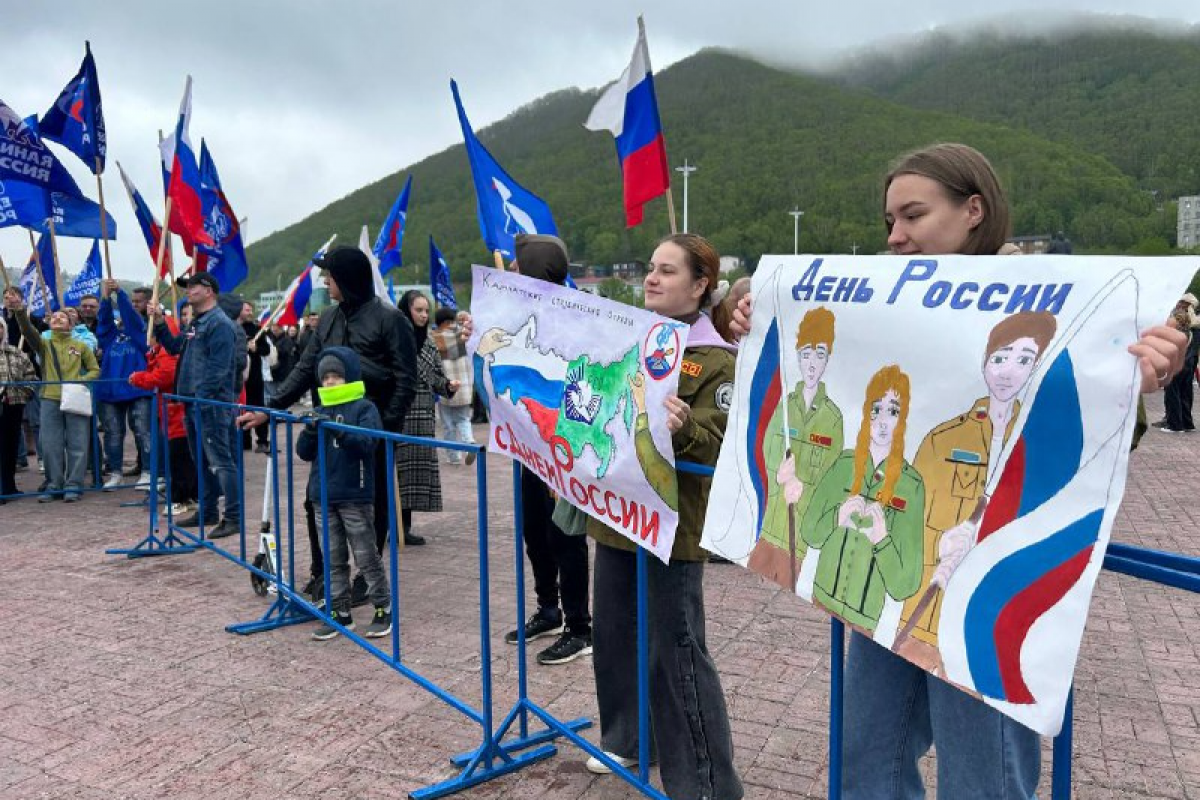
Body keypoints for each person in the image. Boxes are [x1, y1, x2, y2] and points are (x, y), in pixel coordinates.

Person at [730, 142, 1187, 799]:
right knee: (867, 757)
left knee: (981, 779)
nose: (895, 235)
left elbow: (1092, 442)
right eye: (889, 220)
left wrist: (1134, 382)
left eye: (913, 215)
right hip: (896, 584)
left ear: (974, 210)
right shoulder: (886, 302)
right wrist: (754, 312)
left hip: (983, 601)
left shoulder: (1060, 307)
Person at [586, 233, 743, 800]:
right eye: (651, 268)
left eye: (668, 270)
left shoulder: (716, 359)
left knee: (675, 649)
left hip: (671, 528)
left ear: (701, 285)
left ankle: (706, 782)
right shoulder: (630, 341)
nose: (652, 278)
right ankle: (630, 739)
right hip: (618, 517)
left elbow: (722, 442)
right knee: (614, 633)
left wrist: (686, 426)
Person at [238, 246, 417, 598]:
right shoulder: (329, 318)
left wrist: (382, 430)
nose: (325, 282)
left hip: (370, 430)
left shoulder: (390, 319)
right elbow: (306, 367)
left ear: (346, 279)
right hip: (328, 428)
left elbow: (405, 380)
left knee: (370, 506)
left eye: (329, 276)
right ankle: (323, 571)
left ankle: (368, 577)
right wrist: (270, 407)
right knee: (316, 500)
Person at [485, 234, 594, 665]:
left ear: (535, 269)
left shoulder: (580, 317)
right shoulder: (518, 314)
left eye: (518, 264)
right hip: (530, 448)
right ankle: (548, 609)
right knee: (534, 530)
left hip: (563, 449)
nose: (511, 269)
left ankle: (579, 627)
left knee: (565, 536)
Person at [802, 364, 924, 630]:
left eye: (893, 411)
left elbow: (905, 585)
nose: (882, 421)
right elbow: (809, 533)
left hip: (865, 622)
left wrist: (882, 541)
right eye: (876, 409)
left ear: (903, 418)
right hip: (820, 600)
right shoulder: (844, 464)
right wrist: (836, 517)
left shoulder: (911, 485)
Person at [297, 347, 393, 641]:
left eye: (336, 376)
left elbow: (367, 444)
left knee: (366, 555)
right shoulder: (321, 408)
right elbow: (303, 452)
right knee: (332, 557)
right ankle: (340, 611)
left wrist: (338, 430)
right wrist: (311, 430)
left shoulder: (364, 408)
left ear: (349, 377)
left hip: (354, 494)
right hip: (323, 495)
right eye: (325, 377)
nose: (330, 382)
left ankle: (383, 607)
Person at [748, 306, 844, 588]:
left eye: (820, 354)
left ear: (828, 359)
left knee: (787, 604)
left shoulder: (833, 418)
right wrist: (778, 476)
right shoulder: (785, 406)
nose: (812, 364)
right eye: (806, 354)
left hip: (797, 541)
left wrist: (803, 487)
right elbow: (767, 449)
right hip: (768, 529)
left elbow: (831, 479)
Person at [154, 273, 241, 538]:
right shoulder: (197, 322)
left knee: (221, 461)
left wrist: (201, 397)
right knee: (201, 461)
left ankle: (234, 517)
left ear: (209, 291)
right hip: (194, 403)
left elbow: (218, 369)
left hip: (210, 403)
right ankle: (208, 510)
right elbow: (174, 347)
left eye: (193, 287)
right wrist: (160, 323)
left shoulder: (220, 324)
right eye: (187, 287)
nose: (188, 291)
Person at [14, 303, 100, 502]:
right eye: (54, 317)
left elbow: (94, 370)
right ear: (49, 323)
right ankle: (54, 484)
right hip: (50, 398)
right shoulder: (44, 344)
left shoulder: (81, 346)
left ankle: (74, 485)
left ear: (71, 324)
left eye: (63, 317)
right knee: (50, 444)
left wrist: (80, 380)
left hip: (75, 397)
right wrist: (20, 312)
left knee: (78, 443)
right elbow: (27, 331)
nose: (58, 319)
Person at [396, 290, 460, 544]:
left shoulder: (430, 342)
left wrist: (448, 386)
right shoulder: (394, 339)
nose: (423, 315)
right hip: (400, 415)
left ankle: (404, 527)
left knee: (414, 477)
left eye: (426, 311)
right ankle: (392, 527)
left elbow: (437, 378)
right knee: (398, 474)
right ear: (406, 310)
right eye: (418, 310)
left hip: (423, 416)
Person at [129, 313, 198, 516]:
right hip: (171, 409)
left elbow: (166, 376)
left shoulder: (167, 352)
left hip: (175, 410)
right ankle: (189, 496)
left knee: (179, 456)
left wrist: (139, 378)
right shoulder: (161, 350)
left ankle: (181, 498)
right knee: (181, 456)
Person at [95, 279, 153, 490]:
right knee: (113, 433)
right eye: (132, 302)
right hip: (111, 389)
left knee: (142, 431)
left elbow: (132, 319)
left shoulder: (144, 332)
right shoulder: (111, 337)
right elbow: (103, 322)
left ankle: (148, 471)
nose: (134, 306)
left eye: (138, 302)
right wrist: (105, 298)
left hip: (138, 388)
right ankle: (115, 473)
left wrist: (120, 294)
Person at [432, 307, 475, 465]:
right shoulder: (464, 335)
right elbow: (471, 322)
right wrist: (463, 317)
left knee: (448, 425)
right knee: (463, 420)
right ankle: (469, 443)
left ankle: (453, 457)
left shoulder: (435, 339)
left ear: (440, 323)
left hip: (447, 389)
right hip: (464, 389)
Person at [0, 316, 36, 502]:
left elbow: (31, 376)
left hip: (12, 405)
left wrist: (24, 393)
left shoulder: (16, 352)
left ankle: (9, 486)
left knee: (10, 447)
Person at [1157, 293, 1197, 433]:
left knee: (1172, 394)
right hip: (1188, 364)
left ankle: (1175, 425)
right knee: (1184, 393)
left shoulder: (1175, 333)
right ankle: (1187, 423)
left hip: (1177, 365)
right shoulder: (1189, 331)